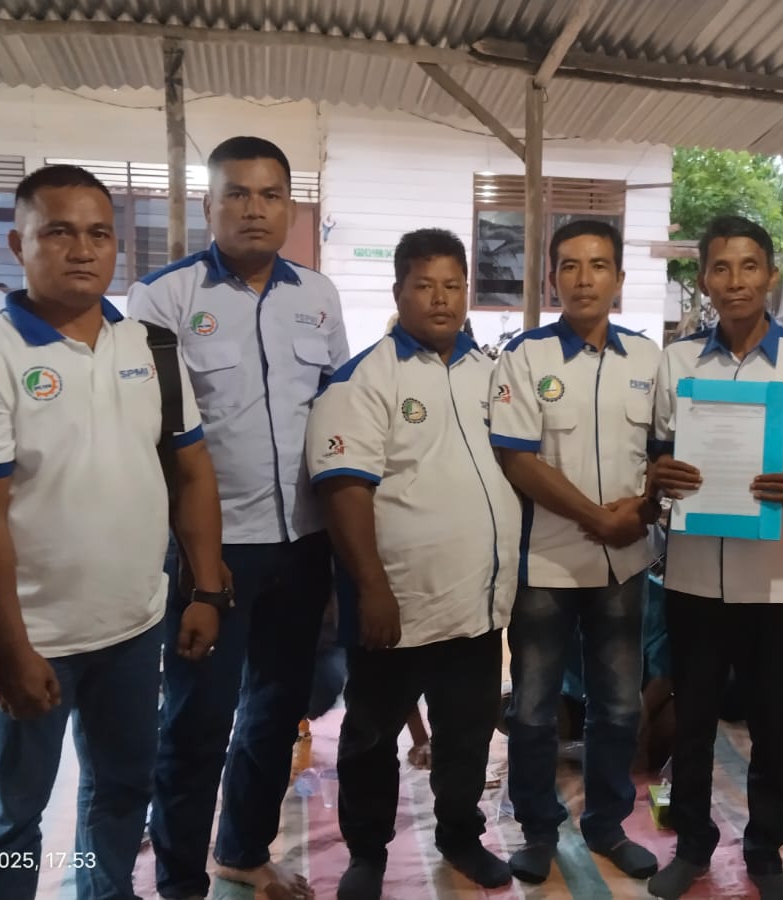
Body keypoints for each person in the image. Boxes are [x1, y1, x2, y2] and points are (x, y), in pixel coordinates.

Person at [0, 164, 227, 900]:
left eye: (99, 234)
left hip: (135, 627)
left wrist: (206, 589)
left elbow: (192, 471)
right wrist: (10, 645)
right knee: (10, 814)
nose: (83, 250)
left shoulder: (151, 347)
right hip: (35, 636)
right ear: (18, 244)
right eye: (59, 232)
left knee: (122, 788)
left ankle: (107, 893)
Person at [128, 136, 343, 900]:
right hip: (211, 551)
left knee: (276, 712)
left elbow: (336, 416)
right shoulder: (163, 298)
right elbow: (154, 437)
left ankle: (242, 851)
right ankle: (180, 879)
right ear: (208, 204)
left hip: (303, 542)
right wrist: (198, 565)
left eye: (270, 194)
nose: (255, 209)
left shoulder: (318, 296)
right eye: (238, 194)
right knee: (198, 720)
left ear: (290, 205)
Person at [306, 228, 521, 899]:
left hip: (477, 603)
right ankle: (367, 854)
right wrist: (371, 587)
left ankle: (461, 836)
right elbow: (344, 490)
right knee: (371, 737)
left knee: (466, 736)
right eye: (425, 285)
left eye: (453, 285)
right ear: (399, 291)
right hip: (395, 605)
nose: (440, 298)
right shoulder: (364, 378)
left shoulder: (491, 374)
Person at [647, 215, 783, 900]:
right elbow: (657, 457)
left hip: (775, 580)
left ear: (772, 276)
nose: (736, 281)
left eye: (749, 266)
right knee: (693, 722)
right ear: (704, 279)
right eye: (721, 268)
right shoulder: (678, 363)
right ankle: (692, 846)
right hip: (693, 574)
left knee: (770, 725)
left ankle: (764, 853)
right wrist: (661, 477)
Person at [490, 219, 662, 884]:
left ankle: (607, 825)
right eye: (569, 266)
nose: (584, 279)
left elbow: (666, 455)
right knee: (533, 707)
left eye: (597, 265)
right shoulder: (525, 357)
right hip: (547, 563)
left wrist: (643, 510)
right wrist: (598, 517)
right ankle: (537, 830)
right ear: (551, 279)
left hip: (625, 562)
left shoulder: (648, 359)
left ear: (619, 278)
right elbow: (517, 460)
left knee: (619, 704)